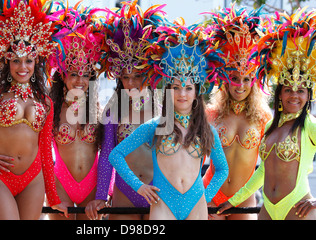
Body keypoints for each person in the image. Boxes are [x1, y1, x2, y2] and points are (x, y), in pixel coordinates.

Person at [217, 8, 316, 220]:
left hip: (298, 209)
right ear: (279, 94)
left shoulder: (311, 126)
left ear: (309, 96)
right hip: (267, 210)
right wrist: (235, 200)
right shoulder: (270, 127)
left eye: (301, 90)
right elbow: (262, 172)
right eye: (288, 89)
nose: (294, 96)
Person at [109, 21, 229, 220]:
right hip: (163, 204)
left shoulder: (206, 130)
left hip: (196, 205)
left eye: (188, 88)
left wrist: (205, 196)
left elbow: (222, 169)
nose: (182, 94)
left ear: (197, 92)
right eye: (175, 87)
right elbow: (116, 155)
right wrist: (139, 187)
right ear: (167, 91)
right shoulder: (155, 126)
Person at [0, 0, 66, 220]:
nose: (23, 67)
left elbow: (46, 153)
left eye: (28, 60)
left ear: (36, 62)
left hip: (33, 179)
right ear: (7, 62)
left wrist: (54, 198)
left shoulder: (46, 102)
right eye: (16, 60)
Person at [86, 1, 166, 220]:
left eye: (137, 76)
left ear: (148, 74)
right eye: (125, 77)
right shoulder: (113, 112)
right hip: (124, 193)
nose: (130, 83)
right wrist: (102, 195)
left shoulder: (164, 110)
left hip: (158, 193)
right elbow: (107, 155)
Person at [203, 5, 272, 220]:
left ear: (254, 81)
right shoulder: (210, 114)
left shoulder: (264, 118)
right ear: (224, 79)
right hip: (211, 194)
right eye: (234, 78)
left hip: (244, 199)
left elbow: (271, 165)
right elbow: (192, 156)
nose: (240, 85)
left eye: (246, 79)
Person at [47, 2, 105, 220]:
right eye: (73, 74)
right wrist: (51, 193)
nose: (80, 80)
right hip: (60, 183)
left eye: (85, 74)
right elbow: (42, 153)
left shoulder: (99, 110)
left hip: (92, 184)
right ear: (62, 76)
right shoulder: (51, 109)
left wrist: (103, 193)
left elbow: (108, 154)